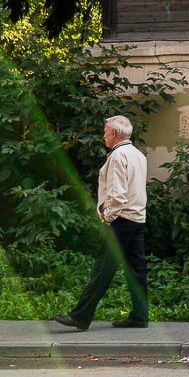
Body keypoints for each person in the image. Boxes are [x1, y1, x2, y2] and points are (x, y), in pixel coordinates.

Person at [53, 115, 150, 331]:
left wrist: (107, 218)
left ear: (114, 134)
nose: (103, 135)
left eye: (105, 132)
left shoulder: (117, 157)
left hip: (121, 220)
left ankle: (80, 317)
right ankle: (140, 315)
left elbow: (117, 195)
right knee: (137, 270)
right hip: (137, 218)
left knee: (102, 270)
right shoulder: (138, 155)